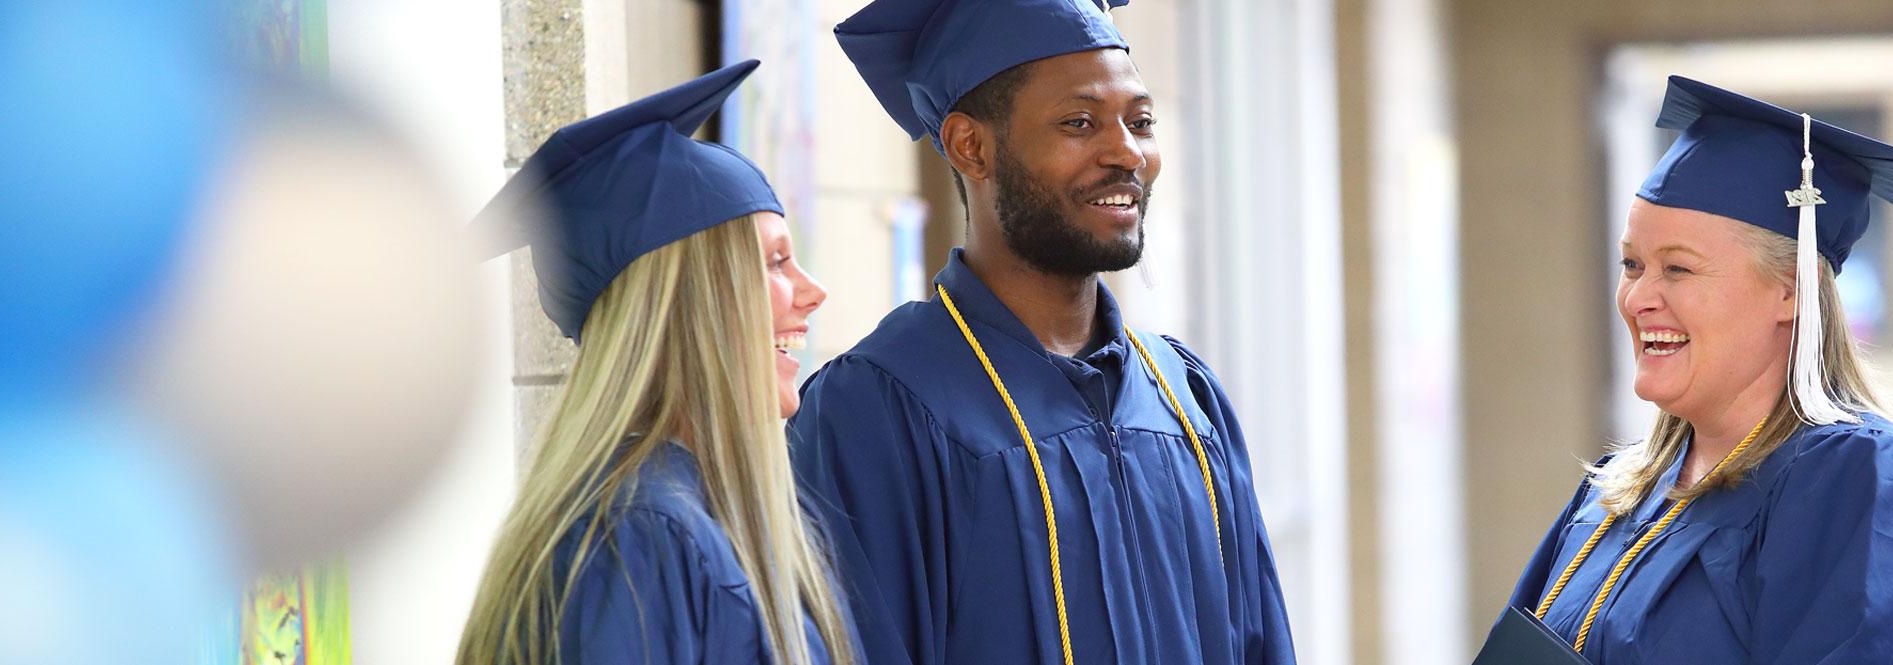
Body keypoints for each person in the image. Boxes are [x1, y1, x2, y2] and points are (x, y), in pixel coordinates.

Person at [787, 1, 1296, 663]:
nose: (1127, 153)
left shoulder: (1186, 398)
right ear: (972, 147)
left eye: (1140, 122)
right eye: (1079, 123)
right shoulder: (875, 410)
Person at [1502, 76, 1893, 664]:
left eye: (1678, 269)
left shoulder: (1859, 483)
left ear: (1792, 291)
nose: (1638, 298)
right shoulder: (1618, 489)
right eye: (1632, 265)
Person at [455, 61, 857, 665]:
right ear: (686, 301)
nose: (813, 291)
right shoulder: (635, 536)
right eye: (775, 262)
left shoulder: (722, 513)